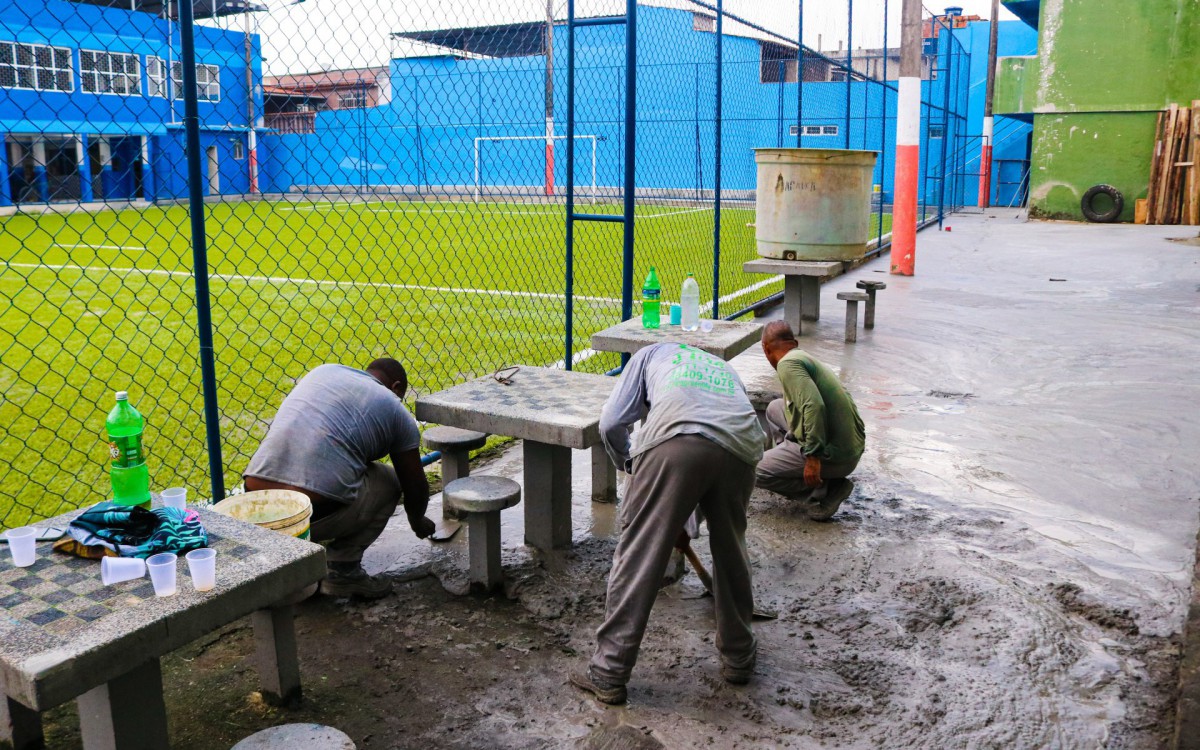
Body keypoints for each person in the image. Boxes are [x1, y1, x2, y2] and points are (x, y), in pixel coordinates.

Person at [570, 343, 764, 705]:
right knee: (731, 548)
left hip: (675, 441)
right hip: (742, 446)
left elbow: (612, 423)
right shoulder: (720, 367)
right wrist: (679, 517)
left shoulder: (647, 355)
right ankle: (739, 656)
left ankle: (608, 672)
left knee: (639, 556)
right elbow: (710, 460)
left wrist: (630, 465)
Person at [244, 358, 435, 599]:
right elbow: (415, 485)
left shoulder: (324, 371)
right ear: (397, 387)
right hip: (311, 515)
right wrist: (417, 521)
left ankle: (298, 569)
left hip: (253, 508)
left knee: (330, 477)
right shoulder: (395, 408)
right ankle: (343, 572)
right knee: (389, 481)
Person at [756, 321, 865, 520]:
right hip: (850, 447)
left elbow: (814, 406)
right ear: (794, 342)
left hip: (836, 456)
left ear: (766, 348)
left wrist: (813, 457)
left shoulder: (787, 364)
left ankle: (824, 490)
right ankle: (792, 459)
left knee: (752, 471)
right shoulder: (802, 357)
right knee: (774, 408)